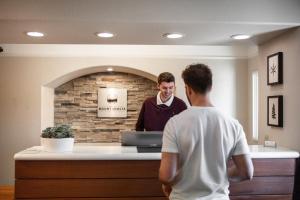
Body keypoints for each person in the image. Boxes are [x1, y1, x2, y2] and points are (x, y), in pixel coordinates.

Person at [159, 64, 253, 200]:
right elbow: (246, 172)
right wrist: (221, 174)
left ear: (188, 89)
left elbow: (166, 176)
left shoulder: (174, 123)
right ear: (211, 87)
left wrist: (167, 184)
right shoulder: (233, 124)